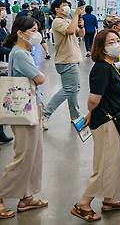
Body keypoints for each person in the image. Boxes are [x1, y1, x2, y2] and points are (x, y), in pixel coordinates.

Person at [70, 29, 120, 221]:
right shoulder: (100, 68)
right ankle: (83, 204)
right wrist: (90, 112)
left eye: (117, 40)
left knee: (116, 161)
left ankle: (109, 199)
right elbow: (93, 100)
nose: (116, 44)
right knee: (106, 163)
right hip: (107, 122)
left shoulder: (110, 65)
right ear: (102, 48)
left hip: (117, 119)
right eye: (111, 42)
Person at [0, 16, 47, 220]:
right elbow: (40, 78)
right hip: (25, 109)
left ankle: (26, 196)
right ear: (20, 32)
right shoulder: (20, 54)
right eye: (33, 29)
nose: (36, 33)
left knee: (34, 154)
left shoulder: (22, 51)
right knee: (24, 155)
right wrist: (38, 76)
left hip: (30, 105)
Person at [42, 0, 85, 129]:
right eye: (64, 5)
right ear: (56, 9)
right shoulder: (57, 22)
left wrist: (81, 25)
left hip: (73, 58)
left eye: (68, 5)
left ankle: (75, 115)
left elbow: (80, 34)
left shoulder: (67, 20)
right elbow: (70, 31)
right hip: (66, 60)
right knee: (69, 89)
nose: (67, 7)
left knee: (74, 89)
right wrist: (76, 15)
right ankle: (45, 114)